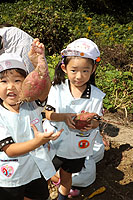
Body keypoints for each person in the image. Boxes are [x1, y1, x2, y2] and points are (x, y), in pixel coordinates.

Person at [0, 40, 62, 200]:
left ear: (26, 83)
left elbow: (43, 90)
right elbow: (10, 150)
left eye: (17, 80)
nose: (11, 86)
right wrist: (38, 141)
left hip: (35, 170)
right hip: (11, 176)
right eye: (4, 81)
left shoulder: (31, 104)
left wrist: (41, 64)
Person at [44, 38, 105, 200]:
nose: (79, 76)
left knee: (67, 176)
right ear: (64, 68)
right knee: (43, 172)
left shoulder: (96, 96)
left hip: (77, 150)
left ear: (93, 69)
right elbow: (48, 114)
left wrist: (90, 124)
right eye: (74, 70)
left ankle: (62, 198)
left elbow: (97, 121)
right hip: (54, 145)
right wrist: (63, 117)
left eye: (85, 70)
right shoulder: (57, 89)